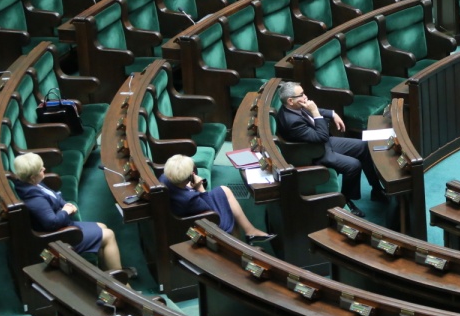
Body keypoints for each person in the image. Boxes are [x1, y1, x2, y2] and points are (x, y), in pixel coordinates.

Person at [274, 81, 386, 217]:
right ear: (290, 101)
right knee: (353, 165)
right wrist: (315, 111)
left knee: (363, 146)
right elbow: (321, 136)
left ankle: (376, 190)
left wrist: (332, 114)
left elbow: (311, 113)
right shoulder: (292, 121)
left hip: (321, 144)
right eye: (302, 95)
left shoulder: (295, 106)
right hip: (313, 153)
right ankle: (345, 200)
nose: (305, 97)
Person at [12, 153, 132, 277]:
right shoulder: (34, 198)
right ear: (32, 177)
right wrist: (66, 211)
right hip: (58, 237)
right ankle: (122, 281)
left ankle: (108, 273)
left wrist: (67, 205)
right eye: (41, 169)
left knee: (102, 226)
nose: (44, 169)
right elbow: (51, 223)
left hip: (64, 225)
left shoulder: (31, 182)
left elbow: (55, 196)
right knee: (109, 235)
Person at [159, 154, 275, 243]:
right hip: (204, 219)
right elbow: (211, 212)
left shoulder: (164, 178)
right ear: (188, 177)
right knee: (229, 210)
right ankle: (238, 245)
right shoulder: (190, 199)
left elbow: (181, 191)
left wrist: (187, 186)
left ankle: (250, 230)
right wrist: (200, 188)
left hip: (186, 207)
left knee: (224, 190)